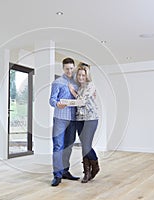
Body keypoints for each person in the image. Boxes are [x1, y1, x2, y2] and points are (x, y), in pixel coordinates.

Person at [49, 57, 80, 186]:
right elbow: (51, 100)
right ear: (63, 68)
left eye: (71, 68)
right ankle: (57, 175)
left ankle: (65, 171)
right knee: (58, 146)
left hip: (73, 119)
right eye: (67, 69)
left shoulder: (77, 83)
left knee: (68, 146)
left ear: (74, 68)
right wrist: (57, 104)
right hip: (60, 119)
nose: (69, 71)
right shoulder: (57, 82)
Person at [69, 62, 100, 183]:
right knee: (84, 145)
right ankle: (86, 172)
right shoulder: (79, 87)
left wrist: (73, 92)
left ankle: (95, 166)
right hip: (79, 119)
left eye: (83, 75)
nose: (81, 77)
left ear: (87, 76)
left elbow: (81, 101)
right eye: (79, 75)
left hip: (90, 119)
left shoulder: (90, 85)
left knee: (87, 146)